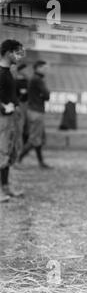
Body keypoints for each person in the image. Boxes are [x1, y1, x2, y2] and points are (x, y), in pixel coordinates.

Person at [0, 39, 25, 202]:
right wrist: (3, 108)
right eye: (18, 52)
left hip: (10, 119)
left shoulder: (8, 72)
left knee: (8, 152)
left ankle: (6, 187)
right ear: (9, 53)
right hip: (2, 119)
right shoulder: (1, 72)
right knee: (1, 153)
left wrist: (15, 105)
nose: (20, 56)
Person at [18, 60, 52, 168]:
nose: (46, 70)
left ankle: (41, 162)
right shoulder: (37, 80)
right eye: (44, 68)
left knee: (38, 139)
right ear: (38, 68)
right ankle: (17, 158)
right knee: (34, 139)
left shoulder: (33, 79)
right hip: (36, 111)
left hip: (32, 110)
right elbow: (47, 95)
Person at [15, 63, 30, 145]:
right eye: (25, 69)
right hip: (20, 104)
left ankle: (24, 144)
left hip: (27, 104)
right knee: (20, 125)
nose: (26, 71)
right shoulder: (16, 81)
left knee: (27, 127)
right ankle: (19, 144)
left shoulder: (28, 81)